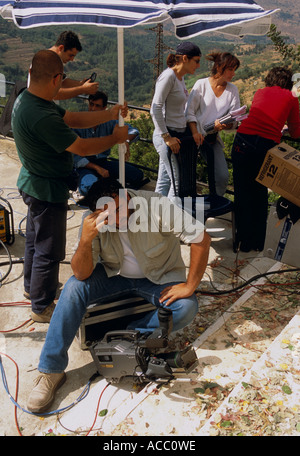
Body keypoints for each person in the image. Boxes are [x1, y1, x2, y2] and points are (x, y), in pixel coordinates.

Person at [26, 177, 211, 413]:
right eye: (107, 215)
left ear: (126, 196)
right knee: (73, 287)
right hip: (114, 275)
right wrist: (85, 239)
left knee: (186, 307)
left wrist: (190, 286)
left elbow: (201, 239)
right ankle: (51, 371)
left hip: (158, 277)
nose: (117, 219)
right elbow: (81, 274)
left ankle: (125, 338)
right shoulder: (91, 221)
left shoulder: (156, 205)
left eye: (120, 209)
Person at [12, 50, 128, 323]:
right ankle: (42, 306)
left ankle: (34, 289)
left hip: (33, 182)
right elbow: (82, 146)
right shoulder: (41, 115)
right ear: (57, 78)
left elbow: (74, 119)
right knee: (49, 250)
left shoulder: (32, 100)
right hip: (46, 188)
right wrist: (115, 137)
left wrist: (109, 115)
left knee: (35, 242)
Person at [231, 67, 300, 252]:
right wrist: (283, 128)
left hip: (242, 140)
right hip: (264, 146)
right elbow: (296, 132)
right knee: (259, 193)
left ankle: (242, 242)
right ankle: (257, 242)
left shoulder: (260, 92)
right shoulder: (292, 98)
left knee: (242, 193)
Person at [150, 42, 201, 199]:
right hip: (167, 136)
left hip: (175, 135)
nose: (198, 66)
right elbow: (155, 108)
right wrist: (167, 138)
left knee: (164, 180)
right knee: (177, 183)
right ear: (185, 58)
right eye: (197, 61)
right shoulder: (168, 77)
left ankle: (155, 217)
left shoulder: (180, 78)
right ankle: (172, 221)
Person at [186, 52, 240, 196]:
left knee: (222, 176)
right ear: (219, 66)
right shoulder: (201, 85)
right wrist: (195, 133)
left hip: (211, 138)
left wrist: (225, 125)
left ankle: (214, 204)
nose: (233, 74)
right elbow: (189, 112)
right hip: (192, 136)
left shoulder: (233, 90)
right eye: (230, 69)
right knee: (186, 176)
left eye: (235, 70)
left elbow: (235, 119)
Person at [73, 91, 145, 195]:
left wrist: (125, 139)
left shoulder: (109, 122)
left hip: (103, 162)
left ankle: (105, 187)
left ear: (104, 108)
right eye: (91, 104)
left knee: (137, 175)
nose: (93, 109)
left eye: (97, 106)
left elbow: (134, 131)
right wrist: (97, 169)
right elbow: (74, 157)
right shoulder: (79, 123)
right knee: (90, 187)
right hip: (85, 166)